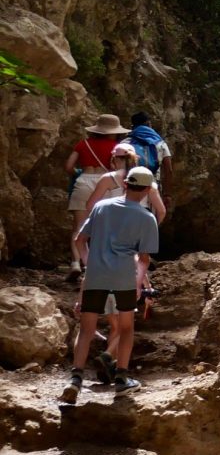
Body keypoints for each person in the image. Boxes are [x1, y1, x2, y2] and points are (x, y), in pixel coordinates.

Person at [62, 166, 159, 402]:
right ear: (147, 190)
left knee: (86, 330)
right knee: (126, 329)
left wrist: (89, 264)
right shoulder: (147, 217)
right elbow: (144, 258)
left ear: (125, 184)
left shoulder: (101, 207)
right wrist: (137, 283)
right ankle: (122, 380)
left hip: (96, 275)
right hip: (124, 276)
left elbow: (80, 239)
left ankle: (75, 379)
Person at [63, 113, 129, 276]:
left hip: (84, 181)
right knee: (103, 227)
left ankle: (75, 264)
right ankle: (96, 264)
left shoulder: (83, 144)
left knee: (78, 227)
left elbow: (68, 166)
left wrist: (79, 173)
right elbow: (118, 169)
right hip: (107, 184)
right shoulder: (116, 147)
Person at [84, 142, 169, 225]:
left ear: (115, 160)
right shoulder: (147, 179)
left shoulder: (107, 178)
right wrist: (151, 228)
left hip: (113, 224)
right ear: (135, 159)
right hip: (138, 224)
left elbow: (90, 206)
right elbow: (161, 211)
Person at [126, 112, 173, 199]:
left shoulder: (126, 142)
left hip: (130, 187)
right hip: (152, 187)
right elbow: (168, 170)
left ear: (133, 126)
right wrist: (167, 194)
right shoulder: (160, 143)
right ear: (148, 124)